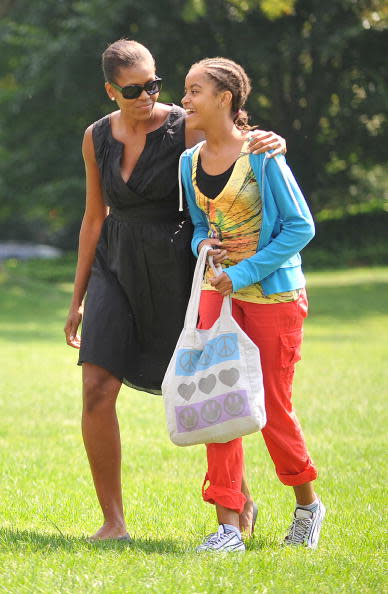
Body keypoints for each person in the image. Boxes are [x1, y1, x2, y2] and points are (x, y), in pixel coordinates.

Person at [64, 39, 287, 541]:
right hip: (114, 266)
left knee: (207, 382)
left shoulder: (183, 125)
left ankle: (238, 499)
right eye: (134, 89)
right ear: (110, 91)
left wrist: (273, 141)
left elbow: (236, 139)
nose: (148, 96)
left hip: (175, 267)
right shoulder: (95, 137)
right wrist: (77, 300)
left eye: (154, 84)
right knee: (97, 387)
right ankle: (113, 523)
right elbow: (93, 216)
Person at [180, 57, 325, 553]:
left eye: (195, 90)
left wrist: (239, 274)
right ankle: (227, 528)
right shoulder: (188, 161)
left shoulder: (263, 154)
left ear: (225, 97)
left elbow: (300, 227)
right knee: (218, 403)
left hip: (275, 296)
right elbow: (200, 227)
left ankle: (308, 505)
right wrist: (203, 248)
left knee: (273, 410)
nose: (185, 100)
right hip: (217, 299)